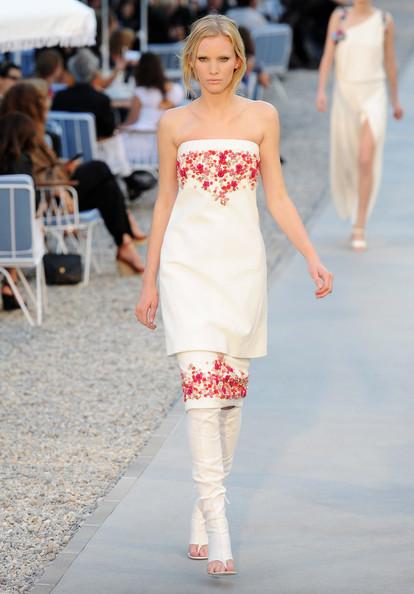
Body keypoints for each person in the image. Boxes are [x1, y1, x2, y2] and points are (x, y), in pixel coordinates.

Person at [135, 15, 333, 577]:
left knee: (227, 400)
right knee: (200, 393)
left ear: (240, 61)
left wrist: (312, 256)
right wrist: (149, 279)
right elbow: (165, 203)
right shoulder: (174, 123)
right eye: (205, 59)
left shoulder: (262, 117)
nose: (215, 69)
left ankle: (202, 507)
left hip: (241, 270)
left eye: (225, 59)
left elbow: (278, 196)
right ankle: (220, 524)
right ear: (190, 62)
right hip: (186, 269)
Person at [0, 82, 146, 274]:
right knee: (99, 170)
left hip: (55, 193)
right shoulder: (20, 135)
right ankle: (125, 236)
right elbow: (34, 175)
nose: (46, 104)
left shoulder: (25, 132)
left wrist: (62, 167)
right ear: (31, 106)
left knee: (105, 187)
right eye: (41, 100)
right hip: (50, 199)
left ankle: (125, 241)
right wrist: (61, 173)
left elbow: (42, 169)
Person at [316, 0, 403, 250]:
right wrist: (321, 90)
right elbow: (328, 56)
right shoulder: (339, 17)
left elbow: (390, 62)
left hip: (374, 93)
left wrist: (395, 100)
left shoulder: (385, 21)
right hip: (345, 94)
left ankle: (360, 225)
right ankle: (349, 201)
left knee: (365, 159)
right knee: (346, 157)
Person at [52, 48, 144, 198]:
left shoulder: (59, 98)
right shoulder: (100, 99)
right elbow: (108, 130)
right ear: (93, 73)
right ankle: (128, 177)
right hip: (93, 151)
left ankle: (129, 179)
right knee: (115, 138)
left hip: (65, 152)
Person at [0, 112, 39, 311]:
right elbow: (33, 203)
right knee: (15, 221)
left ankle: (10, 285)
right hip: (20, 242)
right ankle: (10, 284)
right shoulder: (23, 162)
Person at [121, 52, 184, 168]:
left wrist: (119, 128)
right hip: (163, 144)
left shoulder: (140, 92)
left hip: (140, 143)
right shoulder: (176, 90)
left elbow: (132, 120)